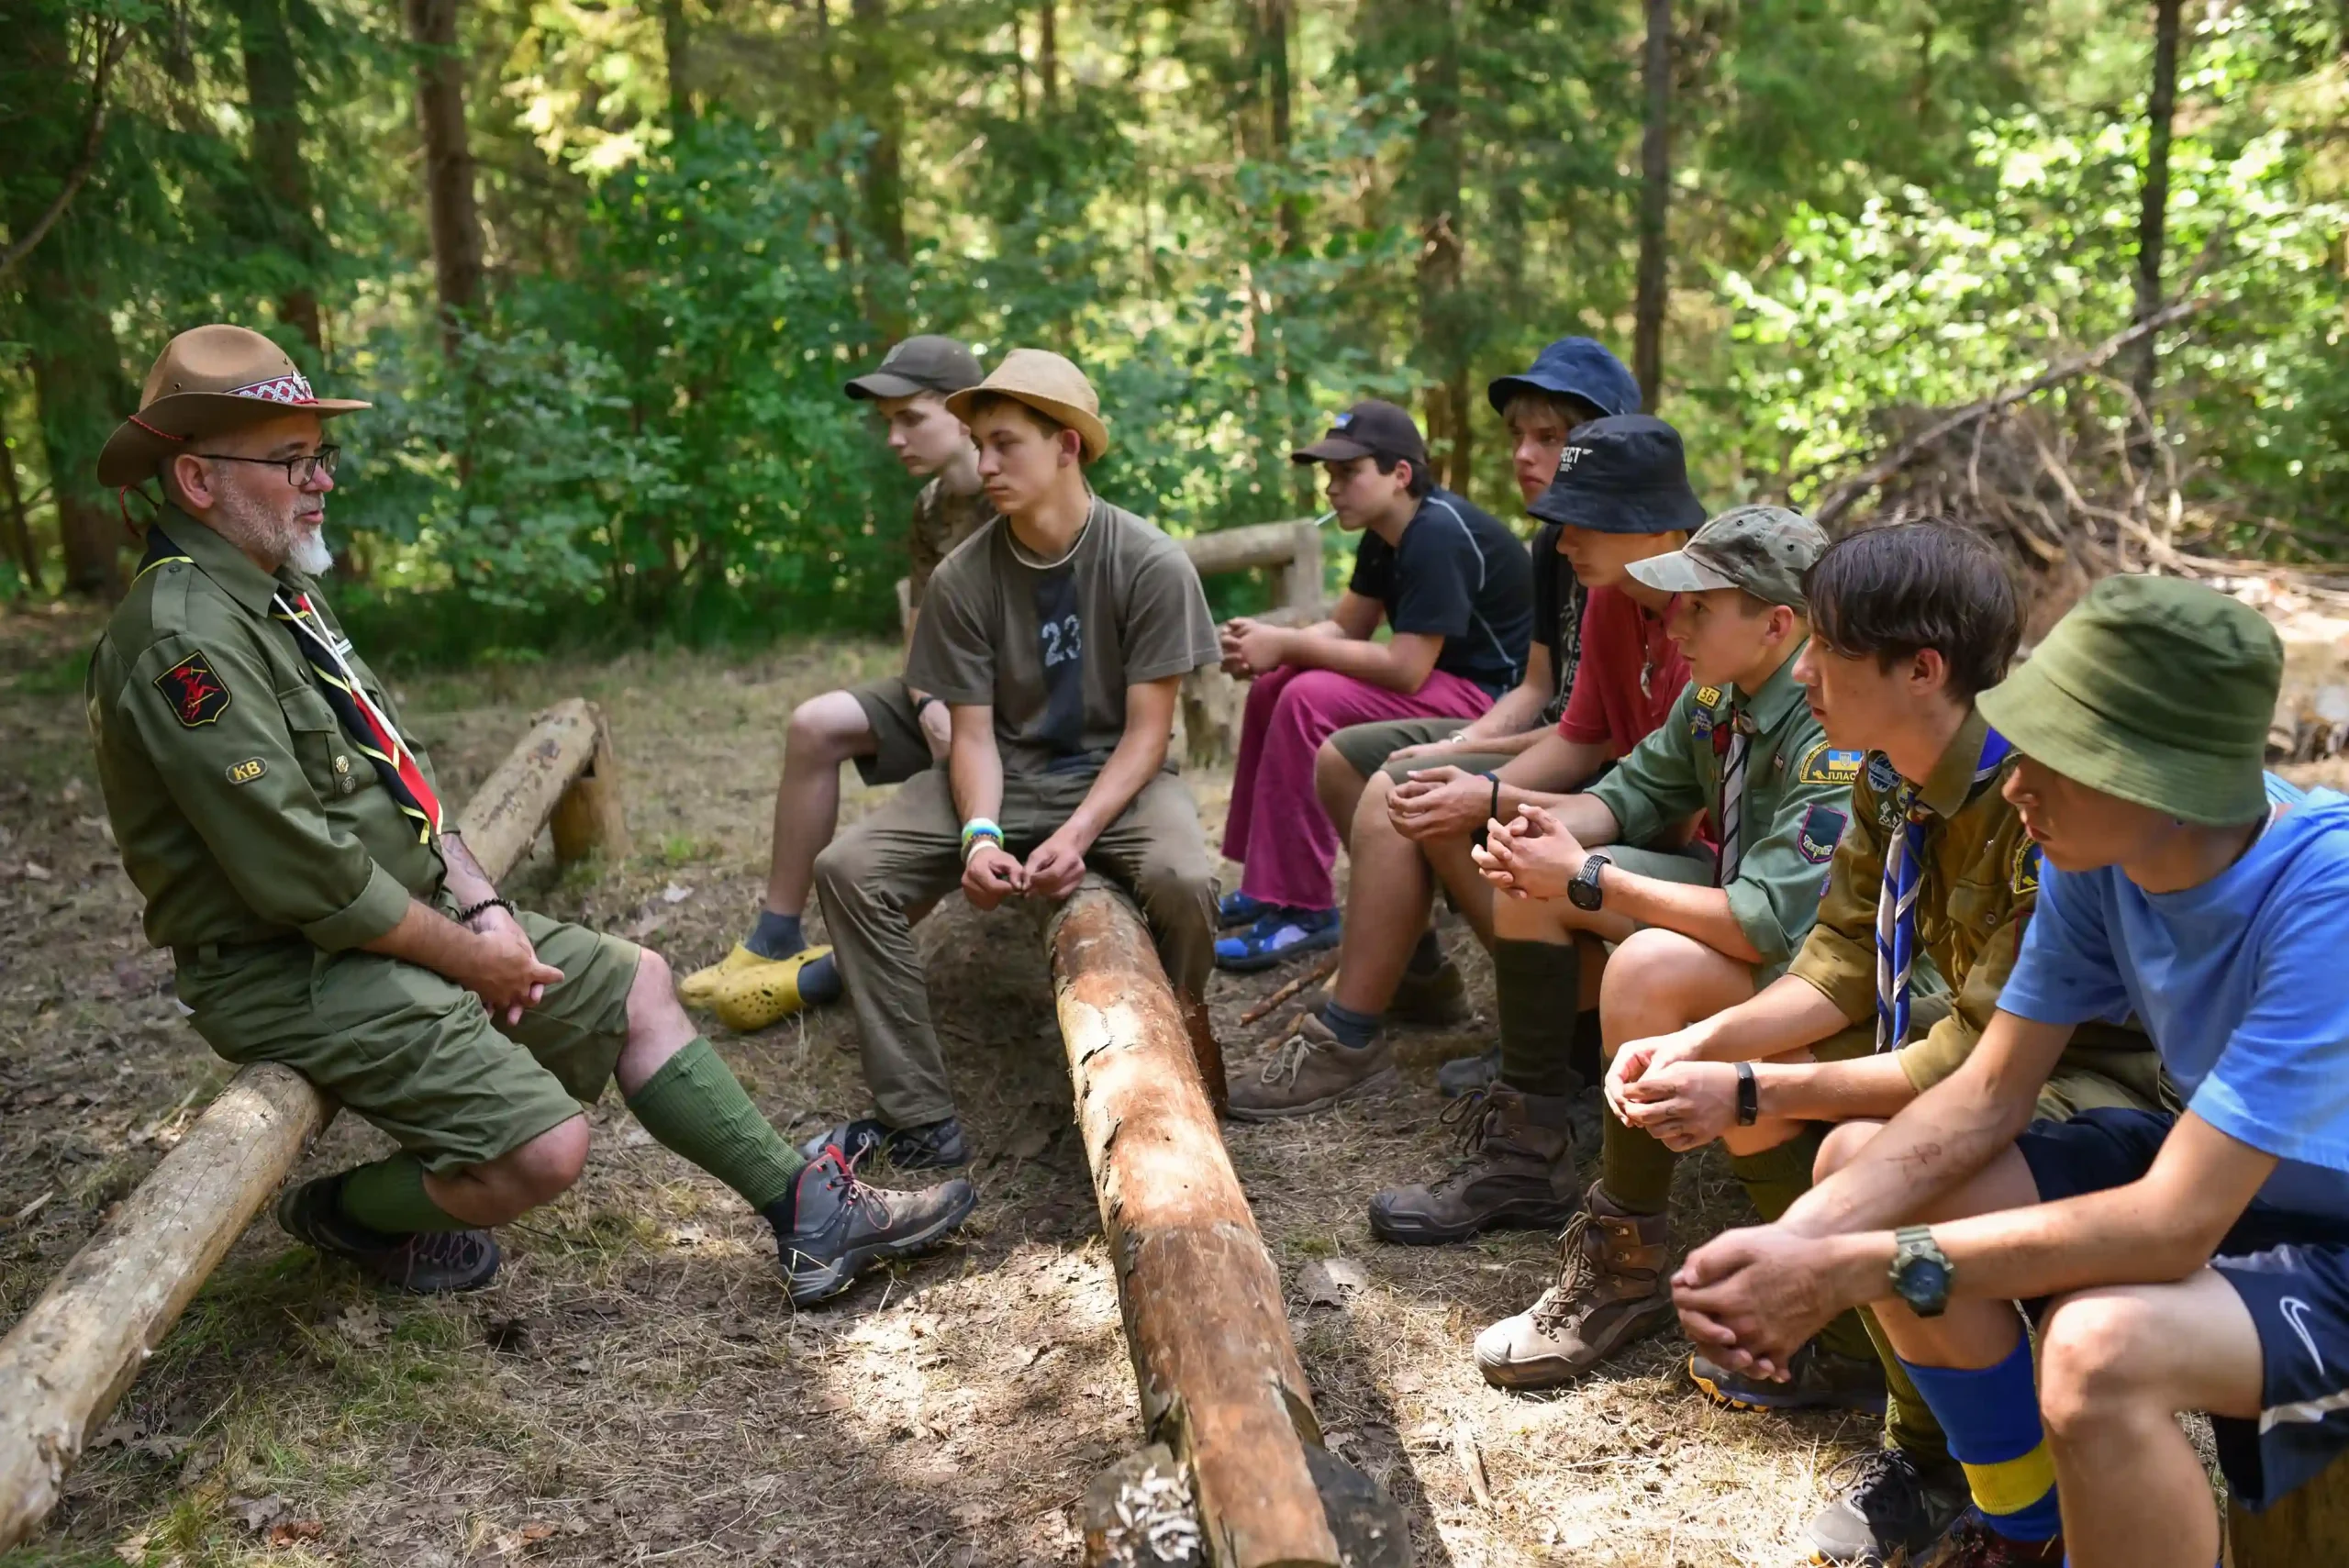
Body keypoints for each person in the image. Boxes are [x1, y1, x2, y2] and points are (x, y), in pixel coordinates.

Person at [85, 325, 974, 1306]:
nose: (321, 482)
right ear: (197, 481)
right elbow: (303, 874)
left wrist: (487, 909)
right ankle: (340, 1214)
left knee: (639, 981)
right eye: (290, 460)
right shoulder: (181, 637)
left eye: (319, 455)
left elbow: (399, 773)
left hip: (391, 920)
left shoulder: (277, 592)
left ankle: (808, 1213)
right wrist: (472, 957)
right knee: (543, 1150)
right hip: (289, 963)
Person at [1669, 576, 2349, 1568]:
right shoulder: (2093, 852)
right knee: (1861, 1167)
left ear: (2163, 781)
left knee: (2095, 1352)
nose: (2017, 782)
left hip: (2318, 1224)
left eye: (2061, 759)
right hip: (2232, 1169)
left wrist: (1845, 1266)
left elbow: (2173, 1223)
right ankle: (2028, 1528)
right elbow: (1988, 1091)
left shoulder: (2321, 901)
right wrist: (1790, 1243)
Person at [1602, 521, 2165, 1566]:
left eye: (1829, 649)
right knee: (1832, 1131)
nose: (1805, 670)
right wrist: (1701, 1042)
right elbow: (1834, 966)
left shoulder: (2032, 798)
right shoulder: (1889, 776)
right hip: (1979, 1067)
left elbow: (1978, 1056)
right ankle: (1946, 1458)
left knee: (1858, 1156)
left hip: (2099, 1088)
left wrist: (1755, 1089)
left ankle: (2015, 1512)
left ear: (1922, 669)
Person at [1442, 506, 1856, 1389]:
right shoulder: (1721, 693)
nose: (1673, 626)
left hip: (1836, 979)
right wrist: (1537, 834)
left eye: (1698, 608)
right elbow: (1630, 794)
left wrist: (1588, 877)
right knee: (1547, 881)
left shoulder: (1831, 731)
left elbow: (1770, 922)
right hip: (1771, 943)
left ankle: (1676, 1260)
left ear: (1778, 624)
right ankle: (1538, 1146)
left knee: (1647, 963)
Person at [806, 349, 1220, 1170]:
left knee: (1184, 879)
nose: (984, 464)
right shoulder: (964, 576)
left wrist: (1079, 832)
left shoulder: (1149, 563)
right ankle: (917, 1114)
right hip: (1011, 769)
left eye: (1006, 444)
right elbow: (971, 734)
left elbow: (1148, 735)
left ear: (1068, 445)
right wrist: (983, 836)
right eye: (978, 444)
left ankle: (1180, 1036)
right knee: (850, 868)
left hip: (1121, 779)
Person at [1224, 414, 1702, 1121]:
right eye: (1561, 524)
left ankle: (1554, 1068)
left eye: (1586, 525)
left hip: (1697, 853)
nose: (1563, 542)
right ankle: (1365, 1029)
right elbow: (1578, 736)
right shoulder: (1610, 595)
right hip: (1625, 806)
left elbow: (1680, 811)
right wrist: (1478, 786)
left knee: (1512, 844)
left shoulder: (1710, 615)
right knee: (1426, 799)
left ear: (1658, 527)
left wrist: (1499, 799)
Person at [1296, 338, 1642, 1025]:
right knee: (1351, 760)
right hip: (1550, 737)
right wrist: (1464, 740)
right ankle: (1415, 962)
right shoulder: (1550, 543)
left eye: (1549, 437)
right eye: (1518, 436)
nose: (1522, 455)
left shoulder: (1633, 554)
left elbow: (1605, 734)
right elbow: (1539, 686)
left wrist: (1473, 769)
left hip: (1602, 769)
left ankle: (1529, 1021)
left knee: (1408, 791)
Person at [681, 335, 995, 1031]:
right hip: (941, 691)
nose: (894, 437)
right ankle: (775, 934)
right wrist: (929, 703)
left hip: (1008, 713)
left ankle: (836, 968)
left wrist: (962, 721)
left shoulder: (1021, 498)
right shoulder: (931, 505)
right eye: (886, 422)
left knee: (919, 815)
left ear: (965, 413)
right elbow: (921, 628)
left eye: (910, 417)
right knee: (813, 724)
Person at [1213, 400, 1533, 971]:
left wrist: (1288, 645)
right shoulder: (1385, 534)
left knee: (1305, 697)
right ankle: (1267, 885)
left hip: (1493, 701)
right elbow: (1347, 627)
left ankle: (1303, 910)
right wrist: (1269, 642)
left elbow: (1406, 667)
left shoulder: (1437, 532)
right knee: (1274, 686)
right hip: (1443, 682)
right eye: (1329, 476)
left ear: (1399, 474)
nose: (1333, 489)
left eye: (1348, 473)